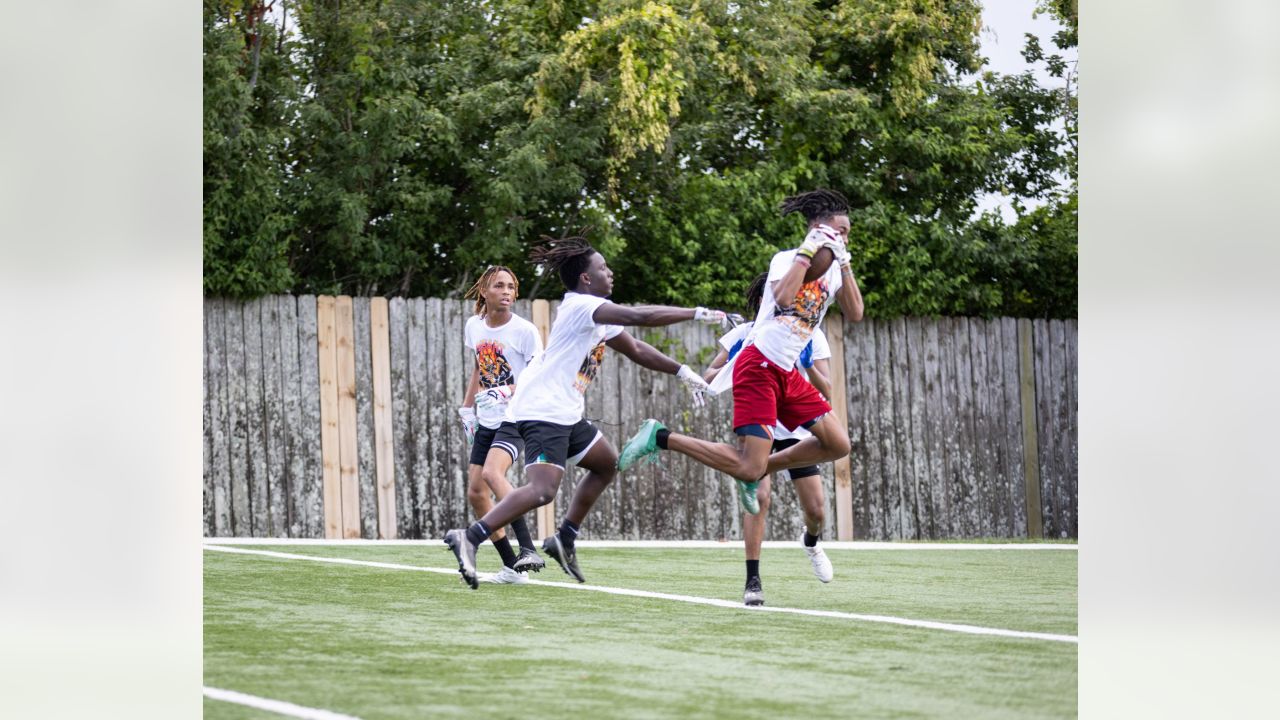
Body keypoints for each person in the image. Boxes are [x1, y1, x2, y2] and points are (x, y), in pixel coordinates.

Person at [444, 234, 736, 589]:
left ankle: (564, 538)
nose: (609, 273)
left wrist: (683, 372)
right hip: (542, 408)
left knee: (605, 462)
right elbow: (636, 315)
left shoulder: (597, 315)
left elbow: (637, 349)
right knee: (542, 491)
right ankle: (471, 538)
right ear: (586, 278)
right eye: (603, 267)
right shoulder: (580, 306)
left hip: (565, 411)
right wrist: (697, 313)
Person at [617, 188, 864, 536]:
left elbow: (855, 312)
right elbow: (782, 297)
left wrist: (844, 260)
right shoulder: (788, 259)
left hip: (788, 371)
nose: (844, 237)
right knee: (748, 466)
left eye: (847, 233)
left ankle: (764, 468)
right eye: (840, 231)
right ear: (818, 230)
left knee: (838, 444)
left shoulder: (837, 270)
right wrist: (808, 253)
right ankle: (660, 436)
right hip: (759, 363)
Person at [703, 273, 836, 606]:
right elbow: (708, 378)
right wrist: (737, 359)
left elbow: (828, 390)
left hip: (796, 431)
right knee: (760, 498)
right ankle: (753, 580)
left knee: (816, 509)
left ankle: (810, 541)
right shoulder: (743, 334)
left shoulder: (810, 333)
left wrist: (808, 363)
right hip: (759, 425)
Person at [456, 265, 546, 584]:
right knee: (477, 491)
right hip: (488, 419)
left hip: (517, 417)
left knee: (493, 474)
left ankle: (528, 548)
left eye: (511, 286)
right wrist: (468, 408)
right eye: (499, 286)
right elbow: (479, 368)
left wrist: (506, 391)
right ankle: (511, 566)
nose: (506, 291)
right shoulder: (473, 326)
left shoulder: (524, 331)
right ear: (485, 291)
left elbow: (537, 376)